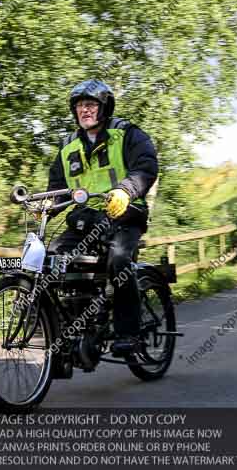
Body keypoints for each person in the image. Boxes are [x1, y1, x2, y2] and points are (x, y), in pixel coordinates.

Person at [43, 79, 159, 357]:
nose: (84, 110)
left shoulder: (126, 133)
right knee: (52, 262)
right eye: (80, 106)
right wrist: (47, 205)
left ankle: (128, 334)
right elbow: (58, 189)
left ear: (104, 107)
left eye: (91, 104)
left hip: (125, 216)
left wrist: (125, 190)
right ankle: (68, 333)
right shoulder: (68, 146)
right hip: (85, 221)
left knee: (119, 259)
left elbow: (146, 164)